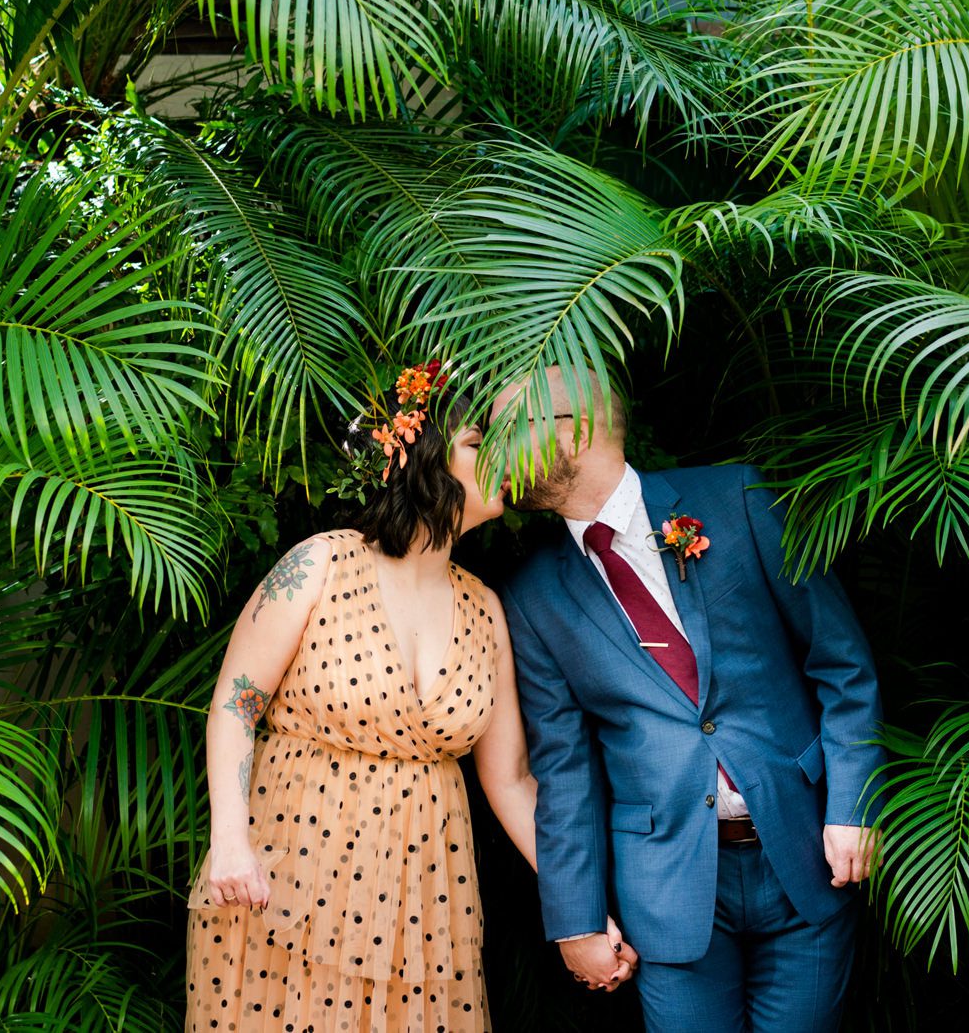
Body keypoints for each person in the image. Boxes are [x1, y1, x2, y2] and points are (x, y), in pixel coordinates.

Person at [185, 361, 636, 1032]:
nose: (509, 457)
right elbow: (234, 704)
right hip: (286, 884)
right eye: (483, 440)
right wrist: (228, 840)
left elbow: (511, 781)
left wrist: (581, 905)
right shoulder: (321, 564)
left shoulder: (486, 610)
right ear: (426, 452)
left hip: (423, 909)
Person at [494, 368, 885, 1033]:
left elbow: (842, 663)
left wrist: (853, 802)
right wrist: (576, 918)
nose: (497, 457)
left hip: (805, 856)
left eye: (510, 433)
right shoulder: (533, 599)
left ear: (575, 430)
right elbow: (563, 771)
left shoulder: (738, 497)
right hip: (667, 888)